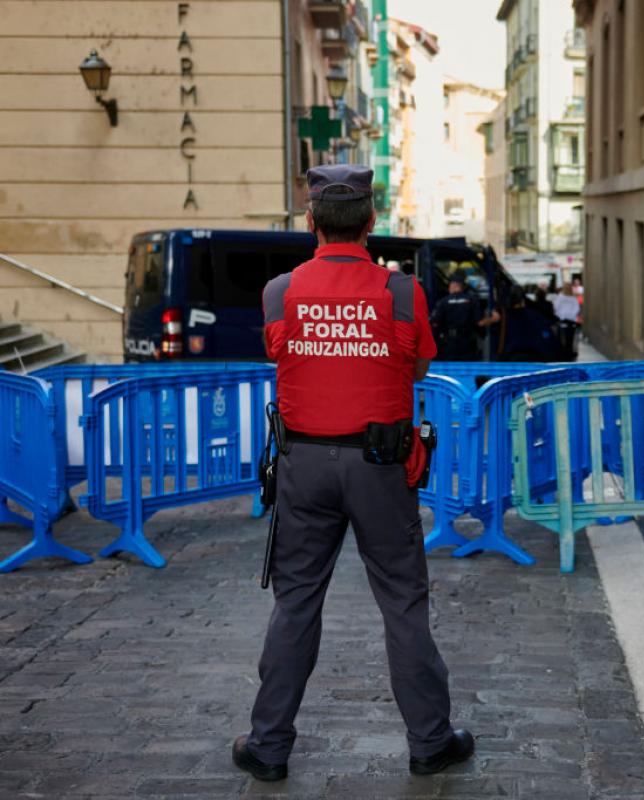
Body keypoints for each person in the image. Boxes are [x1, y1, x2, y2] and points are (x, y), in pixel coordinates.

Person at [233, 165, 473, 782]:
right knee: (403, 603)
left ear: (310, 222)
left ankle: (268, 745)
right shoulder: (401, 293)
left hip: (304, 464)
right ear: (371, 222)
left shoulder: (279, 292)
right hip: (380, 466)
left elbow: (281, 352)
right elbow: (418, 367)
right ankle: (429, 741)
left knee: (295, 603)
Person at [430, 277, 486, 361]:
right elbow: (480, 322)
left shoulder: (443, 302)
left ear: (453, 286)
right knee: (467, 365)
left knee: (450, 366)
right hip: (467, 341)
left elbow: (434, 322)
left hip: (449, 341)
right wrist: (493, 319)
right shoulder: (472, 300)